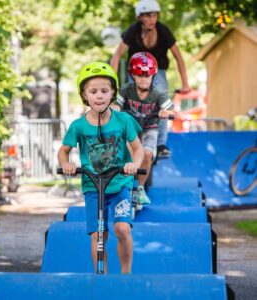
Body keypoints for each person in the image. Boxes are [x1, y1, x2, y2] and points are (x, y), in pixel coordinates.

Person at [58, 61, 144, 274]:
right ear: (84, 95)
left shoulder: (123, 120)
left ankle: (126, 275)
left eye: (104, 91)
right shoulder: (78, 126)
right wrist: (66, 164)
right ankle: (102, 280)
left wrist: (134, 165)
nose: (99, 96)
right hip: (93, 186)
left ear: (113, 93)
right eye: (93, 91)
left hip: (120, 183)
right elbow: (63, 151)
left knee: (122, 229)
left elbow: (137, 148)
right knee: (98, 235)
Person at [110, 0, 190, 158]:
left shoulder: (163, 31)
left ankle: (160, 144)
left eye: (154, 16)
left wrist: (185, 83)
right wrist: (112, 84)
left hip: (157, 71)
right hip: (135, 71)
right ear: (140, 17)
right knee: (128, 98)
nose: (151, 19)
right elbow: (117, 55)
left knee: (160, 95)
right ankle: (126, 136)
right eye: (147, 16)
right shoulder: (132, 31)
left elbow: (178, 57)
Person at [115, 52, 174, 205]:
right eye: (139, 75)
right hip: (131, 127)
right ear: (132, 76)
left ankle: (140, 188)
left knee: (147, 154)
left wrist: (166, 112)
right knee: (128, 151)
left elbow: (173, 110)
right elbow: (116, 104)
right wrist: (114, 109)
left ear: (153, 76)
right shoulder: (126, 90)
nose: (143, 79)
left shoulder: (158, 93)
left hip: (150, 127)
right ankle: (127, 185)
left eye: (147, 76)